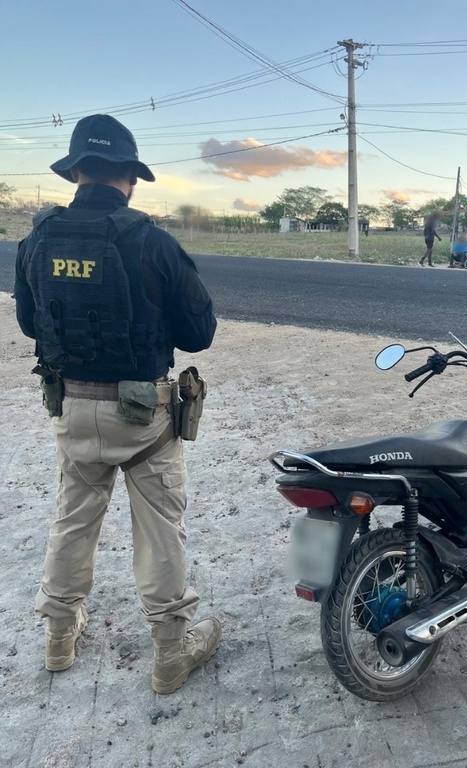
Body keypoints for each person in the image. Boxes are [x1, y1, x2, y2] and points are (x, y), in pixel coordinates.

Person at [13, 114, 221, 695]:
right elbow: (199, 333)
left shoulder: (35, 241)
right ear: (130, 177)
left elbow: (30, 322)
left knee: (72, 522)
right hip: (145, 418)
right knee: (160, 531)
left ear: (76, 171)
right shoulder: (152, 240)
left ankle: (58, 638)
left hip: (72, 409)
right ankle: (170, 654)